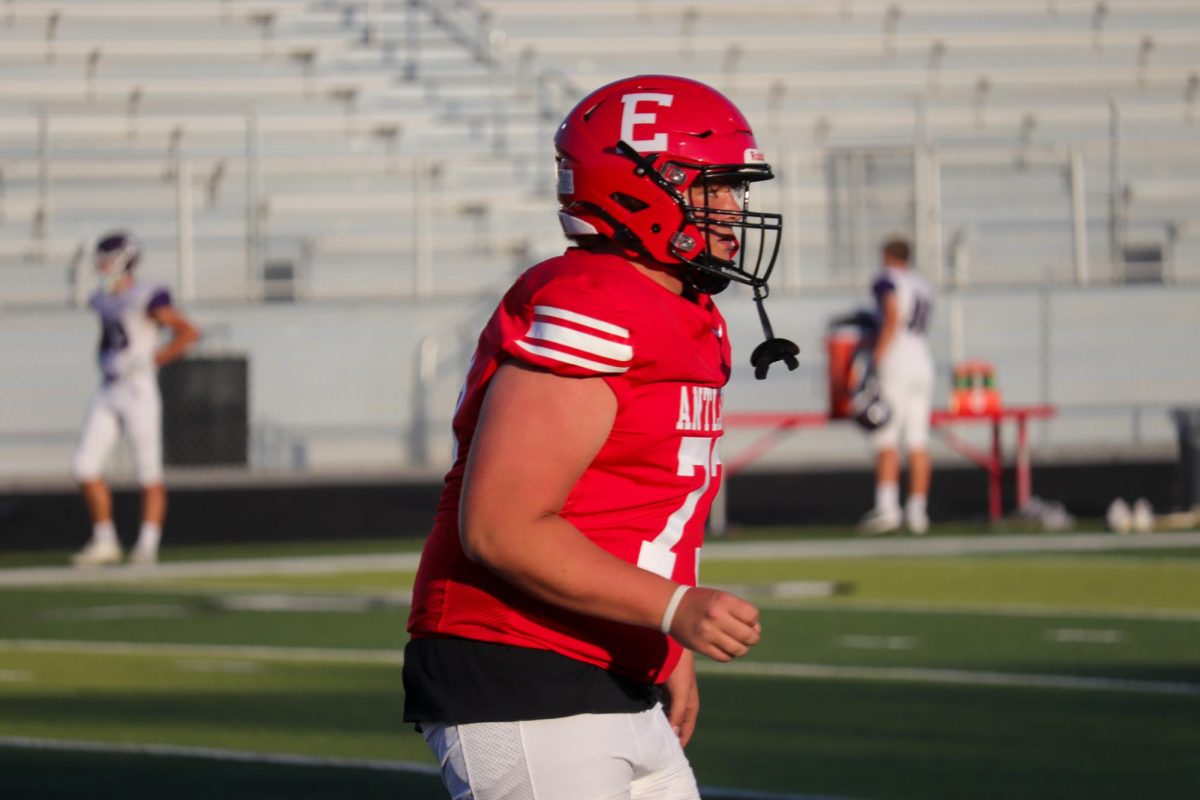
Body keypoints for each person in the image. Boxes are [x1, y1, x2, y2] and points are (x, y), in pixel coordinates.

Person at [403, 74, 797, 799]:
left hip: (603, 656)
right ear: (637, 189)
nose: (732, 211)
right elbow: (502, 527)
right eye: (710, 189)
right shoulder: (596, 304)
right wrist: (672, 607)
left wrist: (661, 640)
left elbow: (624, 507)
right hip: (520, 660)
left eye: (733, 191)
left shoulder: (677, 306)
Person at [71, 231, 200, 566]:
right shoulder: (102, 298)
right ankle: (105, 540)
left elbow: (188, 332)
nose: (101, 265)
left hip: (138, 389)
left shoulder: (147, 296)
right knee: (84, 466)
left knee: (148, 471)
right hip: (108, 386)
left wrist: (156, 358)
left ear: (125, 260)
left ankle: (147, 545)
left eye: (107, 259)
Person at [857, 236, 935, 535]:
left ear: (887, 256)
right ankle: (918, 513)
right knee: (918, 442)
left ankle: (888, 508)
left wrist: (877, 356)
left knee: (885, 437)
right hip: (922, 361)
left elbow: (892, 316)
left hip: (897, 361)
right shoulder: (922, 283)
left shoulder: (887, 279)